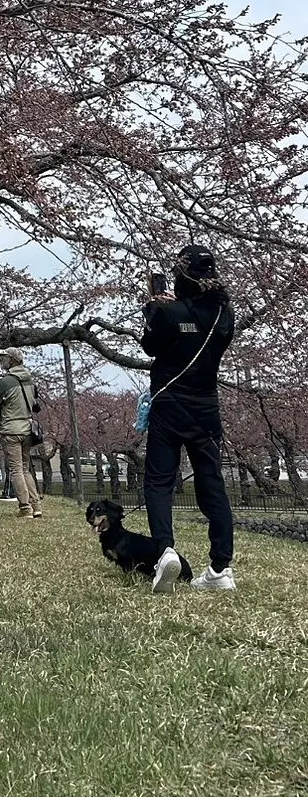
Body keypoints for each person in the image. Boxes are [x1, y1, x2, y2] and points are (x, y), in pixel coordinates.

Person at [142, 246, 236, 593]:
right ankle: (220, 567)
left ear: (181, 276)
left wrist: (153, 307)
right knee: (212, 483)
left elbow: (150, 346)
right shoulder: (224, 316)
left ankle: (165, 550)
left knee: (159, 481)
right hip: (206, 407)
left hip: (169, 403)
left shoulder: (169, 312)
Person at [0, 351, 43, 519]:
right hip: (27, 428)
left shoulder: (6, 381)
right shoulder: (29, 379)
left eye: (4, 358)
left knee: (16, 470)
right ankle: (36, 506)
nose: (1, 360)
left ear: (12, 360)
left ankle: (25, 508)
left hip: (11, 428)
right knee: (25, 468)